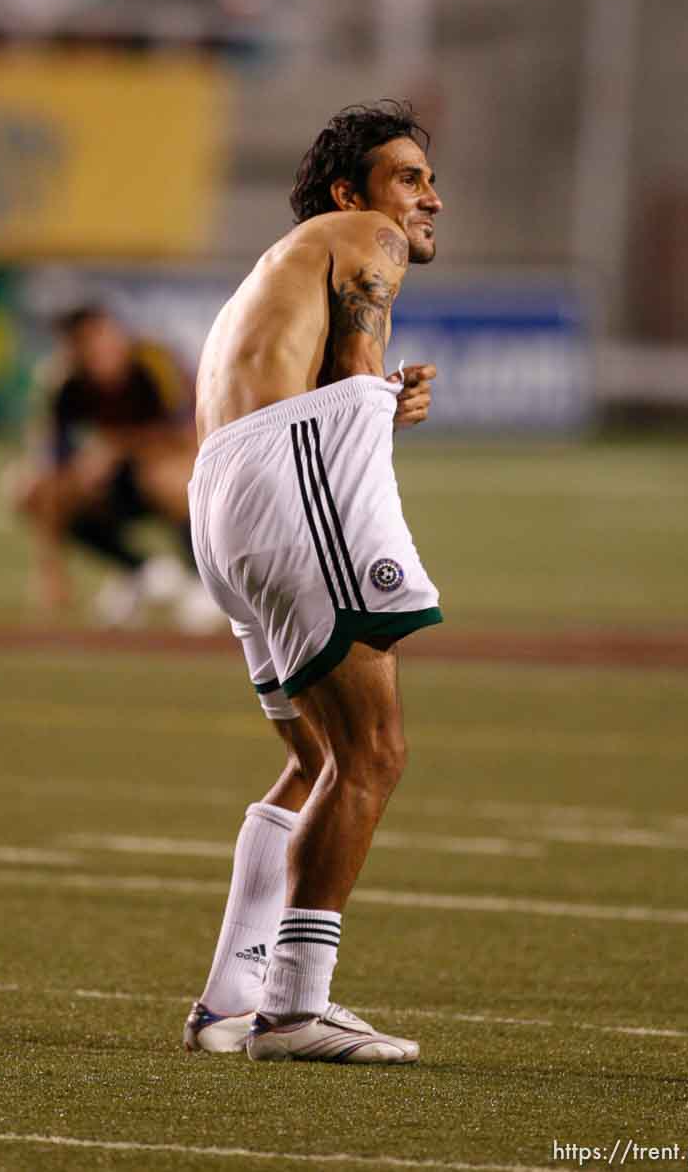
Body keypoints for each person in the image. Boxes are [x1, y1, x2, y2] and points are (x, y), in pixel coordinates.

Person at [184, 101, 443, 1064]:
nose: (429, 200)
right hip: (286, 487)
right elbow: (354, 366)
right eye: (409, 178)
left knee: (314, 759)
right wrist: (373, 391)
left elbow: (325, 382)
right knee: (373, 752)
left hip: (224, 497)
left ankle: (228, 1001)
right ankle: (294, 1009)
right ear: (351, 191)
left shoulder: (283, 265)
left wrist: (374, 401)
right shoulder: (362, 235)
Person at [4, 301, 222, 631]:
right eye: (84, 343)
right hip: (114, 484)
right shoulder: (64, 383)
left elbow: (194, 438)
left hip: (173, 473)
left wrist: (118, 447)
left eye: (102, 337)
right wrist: (50, 572)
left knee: (166, 477)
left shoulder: (154, 363)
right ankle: (139, 571)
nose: (99, 350)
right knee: (27, 489)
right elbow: (49, 470)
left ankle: (203, 579)